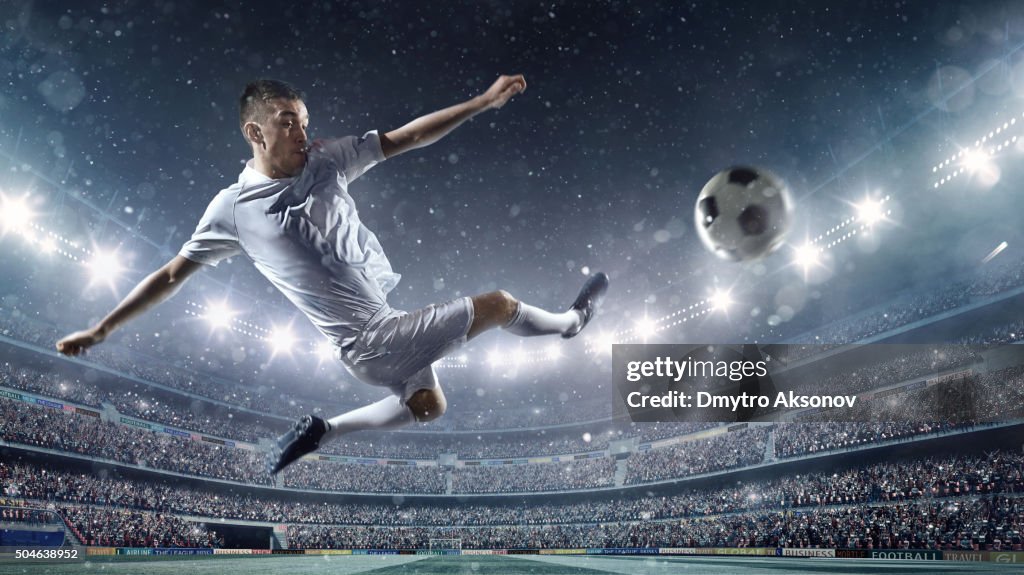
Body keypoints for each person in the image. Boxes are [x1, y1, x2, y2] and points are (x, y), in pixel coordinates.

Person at [55, 74, 609, 475]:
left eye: (304, 121)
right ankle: (570, 324)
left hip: (370, 341)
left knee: (429, 407)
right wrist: (103, 329)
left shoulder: (326, 160)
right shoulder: (232, 210)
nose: (301, 132)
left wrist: (482, 103)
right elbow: (171, 274)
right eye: (288, 122)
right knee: (499, 303)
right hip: (370, 342)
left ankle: (325, 431)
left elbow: (406, 137)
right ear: (256, 132)